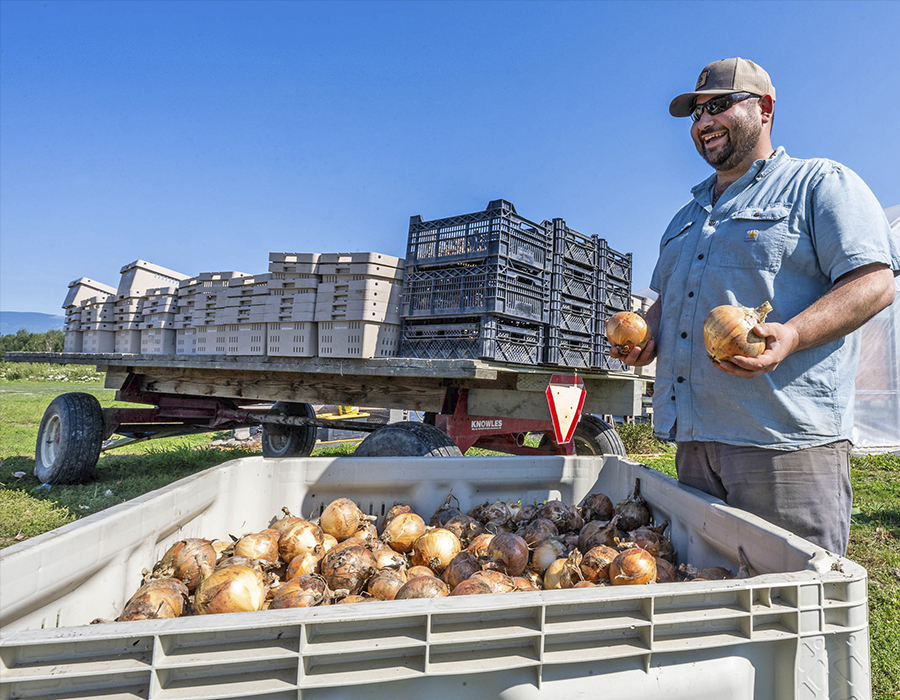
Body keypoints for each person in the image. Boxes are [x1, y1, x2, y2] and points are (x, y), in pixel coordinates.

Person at [614, 57, 899, 555]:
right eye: (695, 114)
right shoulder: (687, 216)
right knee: (708, 592)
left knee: (795, 605)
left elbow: (874, 283)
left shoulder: (818, 184)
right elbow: (666, 303)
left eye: (719, 106)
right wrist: (647, 337)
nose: (703, 123)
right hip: (694, 446)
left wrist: (791, 335)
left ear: (765, 108)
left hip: (783, 447)